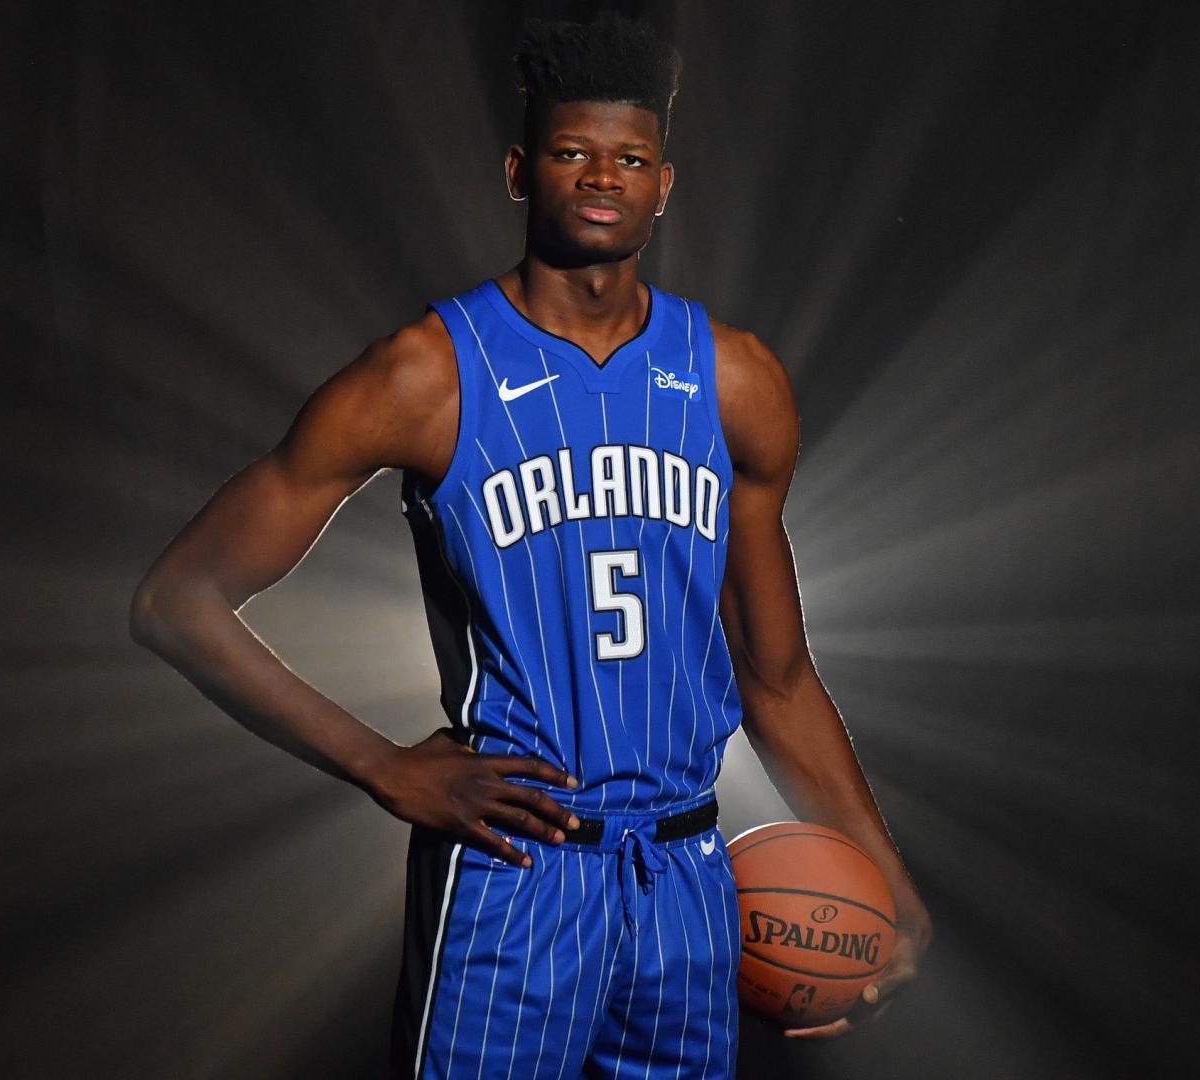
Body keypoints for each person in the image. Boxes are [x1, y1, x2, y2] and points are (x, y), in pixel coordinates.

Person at [129, 12, 931, 1078]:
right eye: (570, 152)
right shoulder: (425, 374)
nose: (602, 177)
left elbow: (775, 679)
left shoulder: (737, 382)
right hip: (517, 874)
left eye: (630, 159)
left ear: (664, 184)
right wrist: (381, 766)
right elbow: (176, 601)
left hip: (689, 879)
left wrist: (887, 882)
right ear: (519, 171)